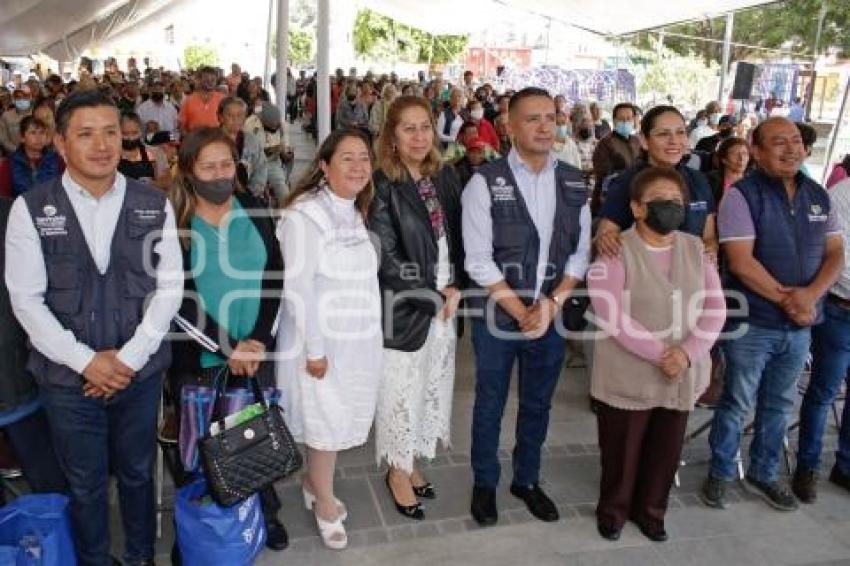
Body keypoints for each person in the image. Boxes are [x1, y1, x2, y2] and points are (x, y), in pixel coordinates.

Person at [4, 89, 183, 566]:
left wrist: (127, 359)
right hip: (67, 381)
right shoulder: (32, 208)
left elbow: (170, 288)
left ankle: (142, 556)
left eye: (110, 131)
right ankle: (96, 558)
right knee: (83, 481)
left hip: (138, 375)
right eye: (86, 134)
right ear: (62, 143)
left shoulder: (152, 202)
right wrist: (88, 362)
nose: (101, 144)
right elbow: (26, 301)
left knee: (138, 473)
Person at [700, 117, 844, 513]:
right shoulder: (742, 196)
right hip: (753, 323)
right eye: (778, 142)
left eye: (796, 141)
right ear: (757, 151)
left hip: (800, 326)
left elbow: (835, 253)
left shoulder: (818, 194)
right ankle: (721, 472)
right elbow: (742, 263)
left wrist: (811, 296)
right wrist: (792, 301)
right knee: (737, 400)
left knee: (780, 403)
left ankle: (764, 473)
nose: (791, 149)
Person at [462, 87, 592, 526]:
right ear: (510, 126)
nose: (543, 126)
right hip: (500, 315)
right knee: (491, 401)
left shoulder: (574, 180)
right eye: (532, 118)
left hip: (550, 316)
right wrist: (522, 312)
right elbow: (477, 259)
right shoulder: (485, 181)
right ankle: (484, 482)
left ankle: (527, 480)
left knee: (538, 403)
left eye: (549, 118)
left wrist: (551, 307)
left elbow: (580, 253)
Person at [167, 126, 288, 552]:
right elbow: (179, 297)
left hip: (255, 353)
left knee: (254, 436)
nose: (220, 173)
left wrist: (256, 341)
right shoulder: (176, 222)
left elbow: (275, 274)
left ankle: (261, 512)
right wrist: (226, 348)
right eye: (209, 166)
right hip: (201, 360)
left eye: (226, 164)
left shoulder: (254, 206)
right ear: (189, 170)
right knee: (199, 447)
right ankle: (198, 529)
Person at [589, 166, 726, 542]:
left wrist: (686, 353)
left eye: (677, 202)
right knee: (622, 450)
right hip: (628, 371)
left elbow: (715, 308)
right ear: (636, 208)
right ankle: (613, 512)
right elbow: (611, 314)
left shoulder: (696, 248)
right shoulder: (615, 250)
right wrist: (662, 353)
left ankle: (652, 512)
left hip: (681, 371)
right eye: (660, 202)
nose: (670, 208)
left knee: (665, 450)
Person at [276, 128, 382, 550]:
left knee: (335, 422)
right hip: (319, 344)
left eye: (364, 158)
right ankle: (323, 500)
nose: (359, 167)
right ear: (324, 165)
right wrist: (316, 352)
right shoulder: (305, 215)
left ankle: (312, 482)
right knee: (325, 423)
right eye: (347, 159)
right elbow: (298, 288)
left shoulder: (353, 208)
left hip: (355, 341)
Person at [370, 95, 465, 521]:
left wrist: (456, 285)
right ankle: (396, 471)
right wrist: (431, 297)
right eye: (408, 128)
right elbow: (385, 256)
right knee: (400, 390)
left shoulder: (443, 177)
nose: (419, 136)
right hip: (406, 306)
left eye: (425, 126)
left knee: (432, 382)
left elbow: (458, 239)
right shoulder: (381, 183)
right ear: (391, 135)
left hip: (446, 298)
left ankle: (412, 459)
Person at [0, 195, 68, 505]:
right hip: (15, 367)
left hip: (13, 371)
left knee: (47, 481)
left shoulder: (14, 212)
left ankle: (65, 548)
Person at [595, 105, 718, 259]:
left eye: (680, 132)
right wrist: (607, 239)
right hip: (641, 274)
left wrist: (710, 252)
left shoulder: (698, 180)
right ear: (644, 141)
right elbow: (607, 232)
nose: (674, 141)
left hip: (691, 272)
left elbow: (709, 236)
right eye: (663, 134)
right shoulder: (627, 181)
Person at [793, 174, 850, 502]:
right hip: (840, 308)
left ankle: (845, 465)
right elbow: (836, 255)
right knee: (823, 392)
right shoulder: (839, 196)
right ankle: (807, 467)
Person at [218, 96, 268, 200]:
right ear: (221, 117)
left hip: (248, 194)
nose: (235, 119)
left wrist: (251, 193)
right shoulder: (211, 141)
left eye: (240, 115)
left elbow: (261, 169)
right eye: (230, 115)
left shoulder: (252, 141)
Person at [244, 101, 289, 202]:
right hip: (255, 164)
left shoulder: (282, 126)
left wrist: (285, 152)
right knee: (255, 188)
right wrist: (271, 150)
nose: (273, 130)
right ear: (262, 121)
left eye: (275, 128)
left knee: (281, 187)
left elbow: (285, 145)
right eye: (270, 128)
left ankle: (288, 211)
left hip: (272, 162)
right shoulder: (250, 125)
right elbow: (250, 152)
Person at [592, 103, 642, 189]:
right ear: (614, 121)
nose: (625, 122)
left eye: (628, 118)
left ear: (633, 120)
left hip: (637, 189)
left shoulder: (637, 141)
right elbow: (603, 173)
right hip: (614, 191)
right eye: (621, 119)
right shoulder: (606, 143)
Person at [10, 116, 62, 196]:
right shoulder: (10, 163)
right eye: (33, 132)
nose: (39, 137)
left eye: (42, 133)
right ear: (22, 138)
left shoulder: (57, 160)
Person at [117, 113, 170, 188]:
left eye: (134, 133)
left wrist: (151, 183)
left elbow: (167, 182)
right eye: (125, 134)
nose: (130, 138)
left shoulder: (154, 152)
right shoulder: (111, 154)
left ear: (140, 132)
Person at [179, 66, 225, 134]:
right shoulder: (188, 100)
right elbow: (182, 126)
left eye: (213, 79)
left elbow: (227, 123)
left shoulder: (222, 99)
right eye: (206, 79)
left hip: (216, 140)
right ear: (199, 80)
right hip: (194, 141)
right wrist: (189, 140)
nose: (210, 82)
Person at [706, 137, 750, 204]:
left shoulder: (753, 180)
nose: (741, 158)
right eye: (735, 154)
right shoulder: (710, 180)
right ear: (724, 159)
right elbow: (698, 206)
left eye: (745, 153)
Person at [0, 88, 33, 155]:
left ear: (30, 98)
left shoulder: (36, 113)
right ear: (14, 100)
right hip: (13, 156)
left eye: (25, 97)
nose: (22, 100)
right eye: (18, 97)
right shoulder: (6, 116)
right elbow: (3, 139)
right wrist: (17, 151)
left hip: (36, 154)